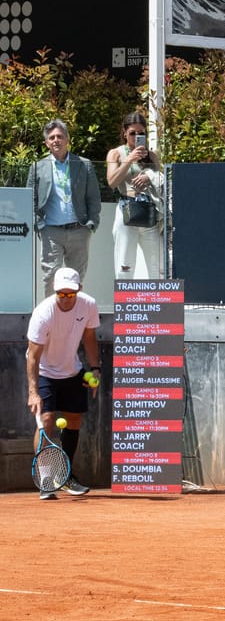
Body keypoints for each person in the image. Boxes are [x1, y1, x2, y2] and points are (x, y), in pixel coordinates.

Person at [26, 267, 101, 500]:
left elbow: (89, 338)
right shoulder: (43, 313)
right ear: (55, 291)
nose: (66, 299)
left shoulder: (88, 305)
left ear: (79, 290)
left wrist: (95, 369)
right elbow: (33, 355)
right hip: (45, 372)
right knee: (46, 421)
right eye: (61, 294)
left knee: (74, 420)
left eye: (71, 294)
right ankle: (46, 479)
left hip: (72, 372)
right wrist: (33, 392)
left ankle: (65, 476)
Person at [27, 119, 102, 296]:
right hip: (51, 231)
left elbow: (93, 197)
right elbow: (30, 198)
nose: (56, 140)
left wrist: (91, 223)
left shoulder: (84, 164)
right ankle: (50, 320)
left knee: (76, 279)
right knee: (50, 277)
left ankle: (74, 321)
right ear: (46, 143)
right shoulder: (38, 167)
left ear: (67, 139)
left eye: (60, 136)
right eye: (51, 137)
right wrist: (39, 224)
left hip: (79, 230)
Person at [105, 112, 164, 279]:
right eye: (132, 133)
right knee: (125, 264)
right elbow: (112, 181)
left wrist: (149, 176)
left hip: (149, 211)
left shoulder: (152, 156)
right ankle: (125, 303)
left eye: (141, 134)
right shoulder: (116, 153)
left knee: (158, 264)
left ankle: (159, 302)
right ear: (124, 133)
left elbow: (162, 182)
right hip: (127, 210)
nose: (137, 137)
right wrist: (129, 159)